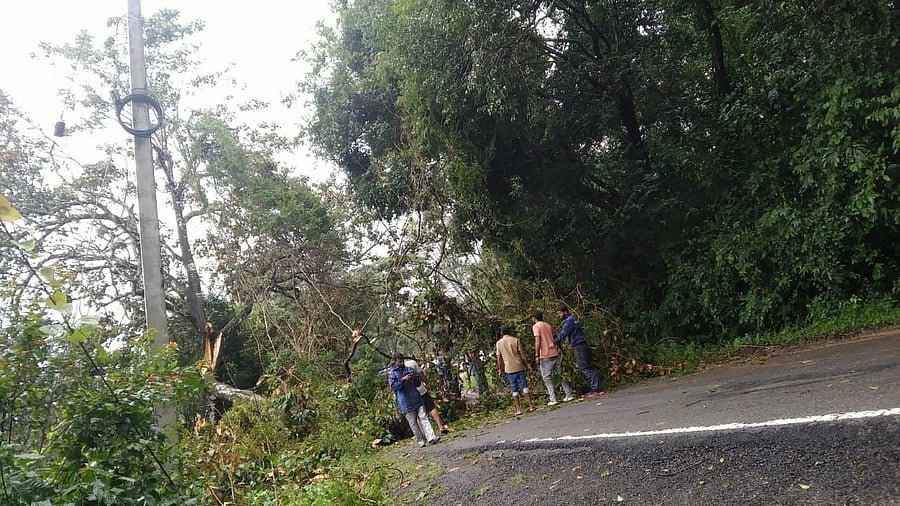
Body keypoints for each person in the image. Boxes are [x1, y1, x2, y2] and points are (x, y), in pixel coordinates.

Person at [388, 352, 440, 447]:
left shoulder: (409, 369)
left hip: (416, 398)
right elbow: (394, 387)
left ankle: (431, 437)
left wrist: (414, 378)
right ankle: (420, 440)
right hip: (405, 402)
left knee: (424, 417)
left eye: (402, 361)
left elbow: (417, 383)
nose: (401, 363)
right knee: (413, 423)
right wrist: (403, 379)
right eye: (399, 362)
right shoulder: (392, 374)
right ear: (395, 362)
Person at [554, 305, 605, 399]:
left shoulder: (569, 321)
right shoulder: (574, 319)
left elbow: (564, 333)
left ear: (565, 311)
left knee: (584, 367)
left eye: (559, 313)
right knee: (587, 365)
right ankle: (597, 388)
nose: (559, 315)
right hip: (581, 344)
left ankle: (596, 389)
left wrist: (554, 342)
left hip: (579, 346)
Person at [532, 310, 575, 405]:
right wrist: (560, 348)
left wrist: (537, 355)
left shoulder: (536, 326)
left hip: (545, 354)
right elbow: (555, 337)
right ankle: (569, 394)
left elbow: (538, 341)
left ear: (534, 318)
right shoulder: (548, 325)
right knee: (560, 374)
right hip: (554, 352)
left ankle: (553, 398)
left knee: (546, 377)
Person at [495, 325, 535, 415]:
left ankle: (518, 409)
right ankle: (531, 405)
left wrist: (500, 369)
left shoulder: (499, 343)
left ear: (501, 333)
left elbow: (499, 358)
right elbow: (522, 353)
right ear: (510, 331)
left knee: (514, 388)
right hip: (519, 366)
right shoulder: (515, 340)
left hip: (509, 368)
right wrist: (528, 363)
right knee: (524, 385)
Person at [404, 357, 451, 434]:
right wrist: (427, 383)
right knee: (431, 407)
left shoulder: (395, 370)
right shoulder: (411, 363)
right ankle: (440, 426)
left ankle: (424, 433)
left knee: (417, 414)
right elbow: (421, 375)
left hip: (410, 395)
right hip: (421, 390)